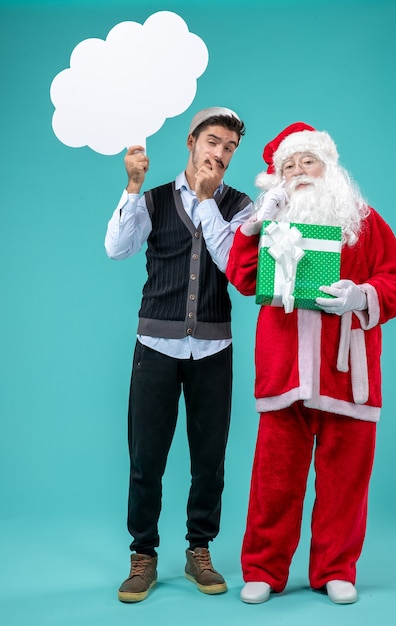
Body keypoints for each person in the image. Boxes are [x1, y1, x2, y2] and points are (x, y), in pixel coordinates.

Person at [226, 122, 396, 605]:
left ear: (329, 167)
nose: (299, 171)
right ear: (278, 178)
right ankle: (264, 569)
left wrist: (361, 295)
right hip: (284, 371)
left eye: (308, 161)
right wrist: (251, 228)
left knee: (345, 480)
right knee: (274, 479)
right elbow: (243, 279)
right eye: (288, 165)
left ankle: (335, 568)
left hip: (347, 374)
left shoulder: (363, 221)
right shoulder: (269, 224)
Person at [105, 107, 253, 603]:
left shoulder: (241, 206)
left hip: (214, 347)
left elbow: (236, 266)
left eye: (230, 148)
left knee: (209, 459)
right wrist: (131, 186)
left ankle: (199, 548)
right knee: (146, 457)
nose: (220, 154)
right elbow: (117, 249)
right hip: (156, 346)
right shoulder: (152, 199)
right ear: (191, 141)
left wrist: (209, 204)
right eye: (213, 142)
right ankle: (143, 554)